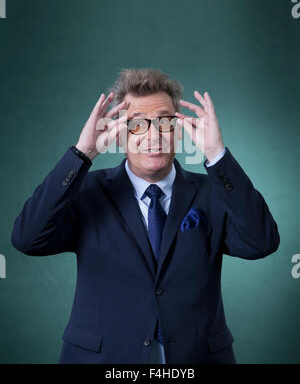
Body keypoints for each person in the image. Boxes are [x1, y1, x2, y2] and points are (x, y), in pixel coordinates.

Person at [11, 68, 280, 364]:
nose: (154, 135)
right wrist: (83, 153)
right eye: (137, 124)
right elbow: (28, 239)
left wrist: (217, 156)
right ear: (118, 133)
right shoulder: (86, 191)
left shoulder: (213, 191)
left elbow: (261, 242)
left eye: (164, 122)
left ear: (178, 129)